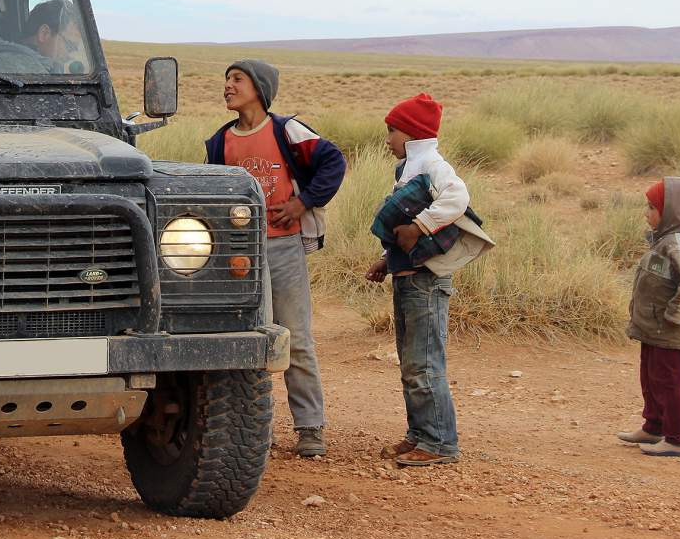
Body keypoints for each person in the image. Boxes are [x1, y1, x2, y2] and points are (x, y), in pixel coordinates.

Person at [204, 60, 346, 458]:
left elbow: (333, 162)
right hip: (241, 256)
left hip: (284, 247)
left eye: (237, 80)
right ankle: (255, 432)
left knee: (296, 339)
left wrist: (304, 202)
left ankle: (310, 428)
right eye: (226, 81)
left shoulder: (286, 130)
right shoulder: (218, 142)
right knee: (251, 340)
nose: (228, 87)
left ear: (260, 88)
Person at [364, 93, 484, 467]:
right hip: (409, 276)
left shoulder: (431, 163)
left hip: (426, 280)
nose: (387, 140)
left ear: (412, 135)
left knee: (424, 363)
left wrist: (420, 225)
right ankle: (419, 434)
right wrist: (386, 261)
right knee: (412, 361)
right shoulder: (410, 168)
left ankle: (439, 443)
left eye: (392, 131)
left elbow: (457, 197)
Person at [618, 177, 680, 458]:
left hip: (670, 331)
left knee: (670, 382)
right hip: (654, 329)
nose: (646, 213)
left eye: (651, 207)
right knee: (651, 377)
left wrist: (676, 319)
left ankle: (676, 437)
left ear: (672, 211)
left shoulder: (679, 244)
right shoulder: (663, 240)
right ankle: (654, 426)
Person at [0, 0, 88, 75]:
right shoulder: (29, 70)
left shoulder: (1, 55)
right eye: (70, 45)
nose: (72, 55)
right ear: (44, 33)